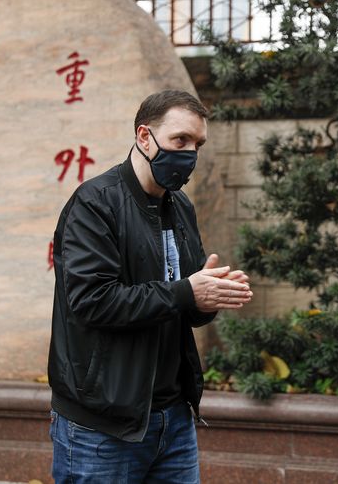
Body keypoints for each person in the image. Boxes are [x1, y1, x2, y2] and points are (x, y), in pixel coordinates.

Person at [47, 89, 253, 483]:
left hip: (173, 420)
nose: (189, 153)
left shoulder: (180, 206)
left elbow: (184, 307)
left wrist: (209, 297)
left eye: (198, 144)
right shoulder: (95, 203)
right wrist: (187, 292)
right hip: (102, 426)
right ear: (144, 137)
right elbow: (93, 302)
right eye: (180, 141)